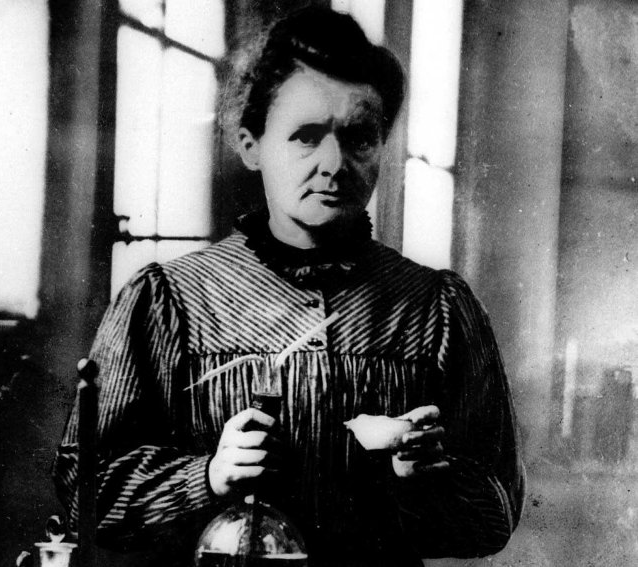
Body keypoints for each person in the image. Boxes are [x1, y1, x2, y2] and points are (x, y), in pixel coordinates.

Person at [53, 7, 525, 567]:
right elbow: (85, 492)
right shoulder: (169, 300)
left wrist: (423, 478)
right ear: (251, 145)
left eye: (359, 138)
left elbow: (495, 517)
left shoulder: (437, 309)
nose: (334, 163)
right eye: (306, 137)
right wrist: (208, 476)